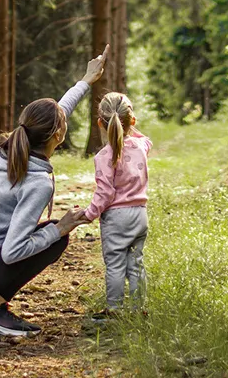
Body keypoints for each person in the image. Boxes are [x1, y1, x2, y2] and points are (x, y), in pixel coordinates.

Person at [0, 45, 109, 337]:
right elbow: (13, 251)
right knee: (55, 239)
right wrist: (60, 228)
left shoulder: (8, 149)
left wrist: (85, 80)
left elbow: (58, 111)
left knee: (48, 233)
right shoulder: (36, 183)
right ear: (58, 134)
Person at [78, 92, 151, 316]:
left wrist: (89, 214)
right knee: (136, 264)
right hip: (140, 215)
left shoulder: (103, 156)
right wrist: (129, 124)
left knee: (116, 265)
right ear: (132, 121)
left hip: (116, 218)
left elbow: (105, 193)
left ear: (100, 123)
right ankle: (140, 309)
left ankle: (115, 310)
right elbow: (144, 138)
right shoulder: (141, 147)